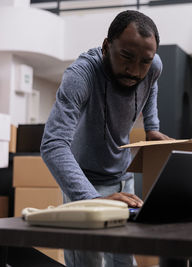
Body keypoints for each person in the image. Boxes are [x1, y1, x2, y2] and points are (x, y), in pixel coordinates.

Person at [40, 10, 171, 267]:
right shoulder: (80, 75)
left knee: (124, 257)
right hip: (85, 182)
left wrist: (152, 127)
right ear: (106, 46)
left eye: (144, 61)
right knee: (88, 260)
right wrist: (92, 199)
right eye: (126, 57)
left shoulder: (153, 66)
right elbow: (52, 144)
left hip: (123, 179)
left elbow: (151, 83)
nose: (135, 70)